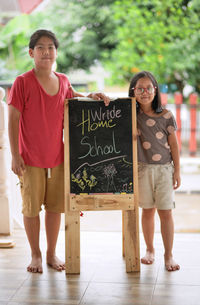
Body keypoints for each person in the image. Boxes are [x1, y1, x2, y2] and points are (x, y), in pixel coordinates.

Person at [8, 29, 110, 273]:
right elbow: (12, 119)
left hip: (58, 158)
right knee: (31, 208)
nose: (46, 52)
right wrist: (15, 155)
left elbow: (74, 98)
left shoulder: (63, 80)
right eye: (41, 48)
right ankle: (35, 254)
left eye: (51, 47)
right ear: (32, 53)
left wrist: (92, 96)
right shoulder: (22, 82)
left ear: (56, 52)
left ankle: (52, 253)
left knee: (54, 208)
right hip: (30, 158)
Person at [128, 71, 181, 271]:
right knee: (147, 211)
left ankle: (169, 254)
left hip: (165, 170)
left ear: (155, 90)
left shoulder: (166, 115)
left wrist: (177, 171)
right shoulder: (132, 116)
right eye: (139, 89)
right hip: (142, 170)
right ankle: (150, 249)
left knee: (166, 212)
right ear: (133, 92)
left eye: (148, 88)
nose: (144, 92)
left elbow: (174, 146)